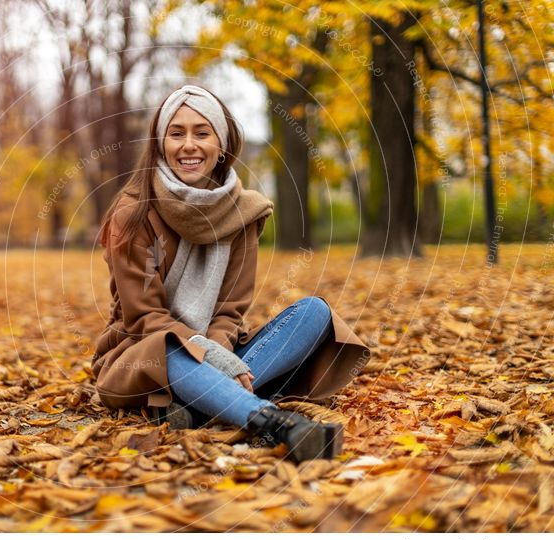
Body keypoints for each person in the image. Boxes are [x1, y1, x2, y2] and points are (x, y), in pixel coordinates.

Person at [91, 84, 371, 462]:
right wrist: (207, 355)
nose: (188, 144)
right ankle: (273, 422)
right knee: (170, 347)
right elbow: (147, 318)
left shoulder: (244, 214)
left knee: (314, 313)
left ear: (220, 145)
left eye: (201, 132)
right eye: (177, 133)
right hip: (143, 354)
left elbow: (229, 310)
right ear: (160, 145)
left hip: (220, 347)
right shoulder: (133, 213)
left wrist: (219, 353)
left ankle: (198, 406)